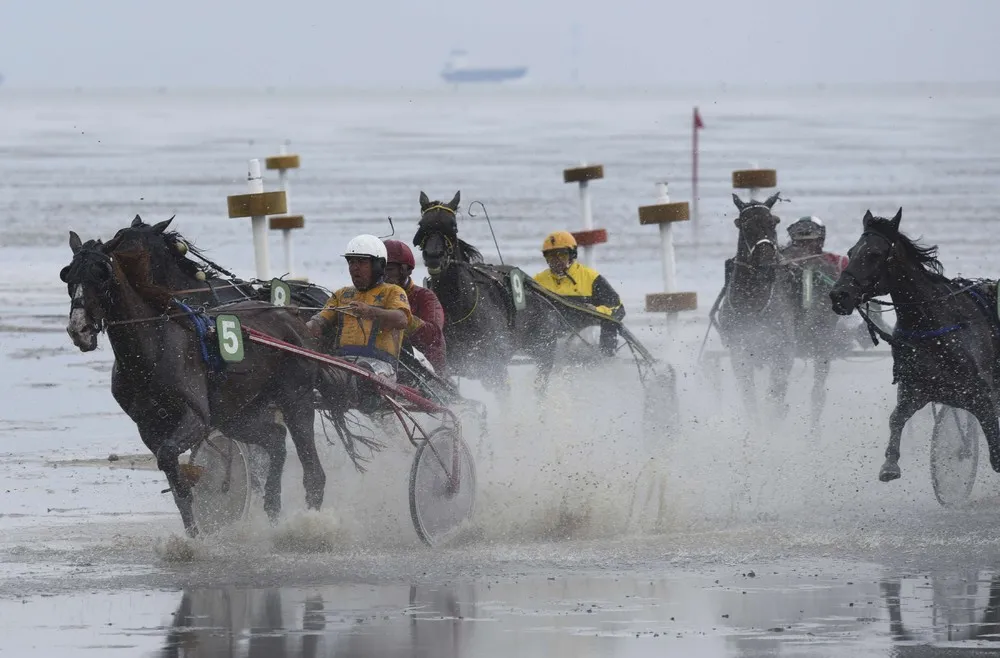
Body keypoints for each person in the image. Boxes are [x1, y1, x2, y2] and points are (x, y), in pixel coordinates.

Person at [306, 235, 412, 411]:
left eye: (362, 262)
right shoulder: (341, 295)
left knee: (361, 373)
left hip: (379, 367)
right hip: (342, 364)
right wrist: (299, 327)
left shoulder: (393, 291)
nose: (354, 268)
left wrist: (371, 311)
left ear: (378, 265)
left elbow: (401, 319)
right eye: (351, 263)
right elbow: (318, 323)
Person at [533, 230, 624, 356]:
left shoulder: (591, 278)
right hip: (554, 334)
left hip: (585, 327)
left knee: (610, 319)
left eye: (562, 255)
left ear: (572, 255)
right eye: (551, 256)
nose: (556, 260)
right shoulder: (538, 281)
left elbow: (618, 308)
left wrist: (597, 311)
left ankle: (607, 358)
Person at [382, 239, 447, 373]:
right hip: (383, 364)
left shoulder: (425, 297)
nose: (383, 275)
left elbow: (433, 334)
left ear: (405, 270)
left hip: (423, 373)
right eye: (379, 269)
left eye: (389, 269)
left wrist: (401, 319)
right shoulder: (371, 296)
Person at [780, 216, 848, 279]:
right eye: (801, 243)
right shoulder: (784, 264)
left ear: (821, 242)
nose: (805, 247)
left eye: (810, 242)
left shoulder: (840, 262)